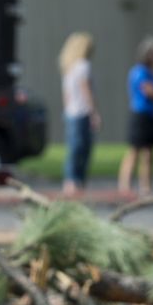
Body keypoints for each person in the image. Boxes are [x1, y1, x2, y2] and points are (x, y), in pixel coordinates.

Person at [118, 35, 153, 195]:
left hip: (149, 115)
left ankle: (146, 186)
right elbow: (150, 92)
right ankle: (124, 186)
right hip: (140, 115)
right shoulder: (140, 72)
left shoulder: (150, 73)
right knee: (134, 151)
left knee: (149, 153)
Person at [59, 32, 100, 196]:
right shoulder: (83, 65)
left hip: (71, 112)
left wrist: (67, 109)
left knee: (74, 147)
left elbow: (66, 94)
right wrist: (94, 112)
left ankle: (71, 180)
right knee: (82, 148)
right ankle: (76, 180)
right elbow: (86, 90)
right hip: (82, 112)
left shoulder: (69, 66)